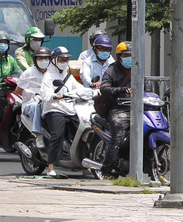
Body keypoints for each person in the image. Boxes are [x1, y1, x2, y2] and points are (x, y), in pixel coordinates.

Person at [39, 46, 95, 177]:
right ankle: (50, 167)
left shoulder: (68, 76)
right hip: (54, 109)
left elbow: (78, 88)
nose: (64, 62)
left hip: (70, 109)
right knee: (57, 135)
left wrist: (91, 91)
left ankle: (84, 162)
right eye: (61, 59)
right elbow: (45, 95)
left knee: (83, 132)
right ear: (54, 60)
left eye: (66, 59)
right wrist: (55, 96)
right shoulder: (48, 76)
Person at [98, 42, 133, 177]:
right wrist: (121, 90)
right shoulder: (112, 70)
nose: (129, 58)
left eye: (132, 55)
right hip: (117, 109)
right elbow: (104, 88)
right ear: (119, 57)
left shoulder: (137, 69)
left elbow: (146, 87)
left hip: (135, 109)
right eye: (126, 55)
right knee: (118, 135)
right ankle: (108, 168)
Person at [15, 46, 53, 150]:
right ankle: (38, 135)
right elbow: (18, 91)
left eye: (46, 58)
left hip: (48, 101)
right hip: (30, 103)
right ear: (35, 60)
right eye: (40, 58)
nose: (43, 61)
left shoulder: (52, 73)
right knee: (36, 106)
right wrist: (31, 94)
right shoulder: (28, 73)